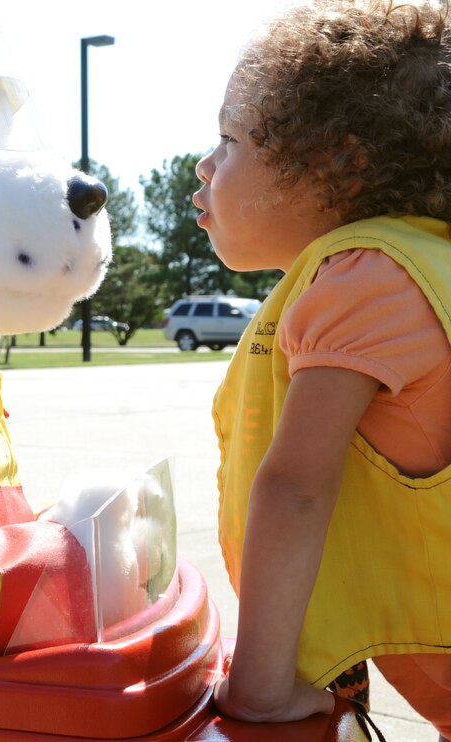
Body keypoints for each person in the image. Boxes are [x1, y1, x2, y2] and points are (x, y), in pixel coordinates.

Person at [192, 0, 451, 737]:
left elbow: (298, 487)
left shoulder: (364, 278)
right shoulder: (425, 264)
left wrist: (262, 691)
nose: (204, 165)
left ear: (342, 160)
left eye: (229, 139)